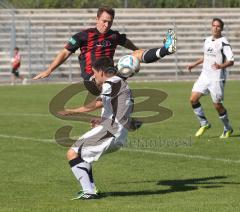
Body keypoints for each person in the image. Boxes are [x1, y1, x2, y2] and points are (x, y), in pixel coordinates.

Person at [33, 6, 177, 94]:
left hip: (110, 74)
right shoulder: (83, 35)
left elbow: (126, 42)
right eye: (104, 21)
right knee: (124, 68)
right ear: (97, 19)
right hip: (93, 78)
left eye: (110, 22)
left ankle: (167, 49)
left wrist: (138, 51)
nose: (106, 25)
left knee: (134, 57)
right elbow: (65, 52)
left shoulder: (114, 35)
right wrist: (49, 70)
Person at [58, 57, 134, 200]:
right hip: (115, 131)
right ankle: (90, 190)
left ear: (101, 71)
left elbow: (96, 104)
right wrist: (102, 120)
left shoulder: (111, 82)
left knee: (72, 153)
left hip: (110, 132)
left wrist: (72, 111)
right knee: (80, 155)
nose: (94, 76)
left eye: (94, 72)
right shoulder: (121, 84)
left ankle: (89, 191)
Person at [187, 18, 234, 138]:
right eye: (214, 25)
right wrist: (194, 64)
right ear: (211, 26)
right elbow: (205, 56)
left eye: (218, 26)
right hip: (204, 76)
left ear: (221, 29)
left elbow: (231, 61)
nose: (215, 28)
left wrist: (220, 66)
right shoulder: (207, 40)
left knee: (217, 105)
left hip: (216, 78)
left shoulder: (224, 43)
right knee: (193, 99)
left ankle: (227, 128)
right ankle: (204, 123)